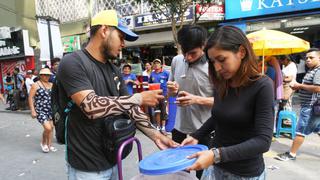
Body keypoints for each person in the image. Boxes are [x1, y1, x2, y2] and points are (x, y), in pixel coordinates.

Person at [57, 10, 177, 180]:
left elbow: (131, 109)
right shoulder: (73, 62)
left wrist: (155, 135)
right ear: (104, 31)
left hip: (114, 158)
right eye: (121, 37)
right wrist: (139, 98)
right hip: (87, 167)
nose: (123, 44)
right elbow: (91, 106)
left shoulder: (114, 69)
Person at [181, 26, 274, 180]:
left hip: (245, 173)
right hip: (216, 167)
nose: (217, 68)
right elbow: (218, 116)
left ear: (242, 52)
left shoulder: (262, 86)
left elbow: (263, 141)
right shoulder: (222, 83)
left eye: (222, 59)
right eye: (212, 62)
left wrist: (216, 155)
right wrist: (197, 136)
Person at [166, 25, 214, 178]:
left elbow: (224, 102)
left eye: (192, 53)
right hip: (179, 128)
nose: (187, 58)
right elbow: (170, 92)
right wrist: (172, 91)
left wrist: (196, 99)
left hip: (205, 130)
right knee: (179, 173)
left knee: (203, 175)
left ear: (203, 45)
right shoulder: (176, 61)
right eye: (184, 52)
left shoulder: (214, 67)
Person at [276, 48, 320, 161]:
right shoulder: (313, 70)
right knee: (317, 129)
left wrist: (299, 86)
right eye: (306, 58)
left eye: (311, 57)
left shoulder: (318, 71)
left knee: (300, 131)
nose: (308, 60)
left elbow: (318, 88)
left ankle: (292, 154)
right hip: (312, 107)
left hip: (310, 107)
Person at [28, 68, 56, 153]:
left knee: (51, 128)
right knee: (47, 128)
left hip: (50, 109)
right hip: (40, 109)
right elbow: (30, 98)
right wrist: (33, 110)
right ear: (40, 75)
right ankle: (43, 143)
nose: (47, 76)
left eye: (48, 75)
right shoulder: (35, 85)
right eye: (44, 75)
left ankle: (49, 145)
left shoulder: (51, 84)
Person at [149, 59, 170, 132]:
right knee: (157, 111)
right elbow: (150, 83)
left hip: (164, 95)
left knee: (164, 111)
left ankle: (163, 127)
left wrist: (168, 93)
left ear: (161, 65)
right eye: (155, 64)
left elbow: (170, 82)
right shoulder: (152, 74)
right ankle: (158, 126)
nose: (156, 65)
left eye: (158, 63)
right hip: (155, 96)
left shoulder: (166, 73)